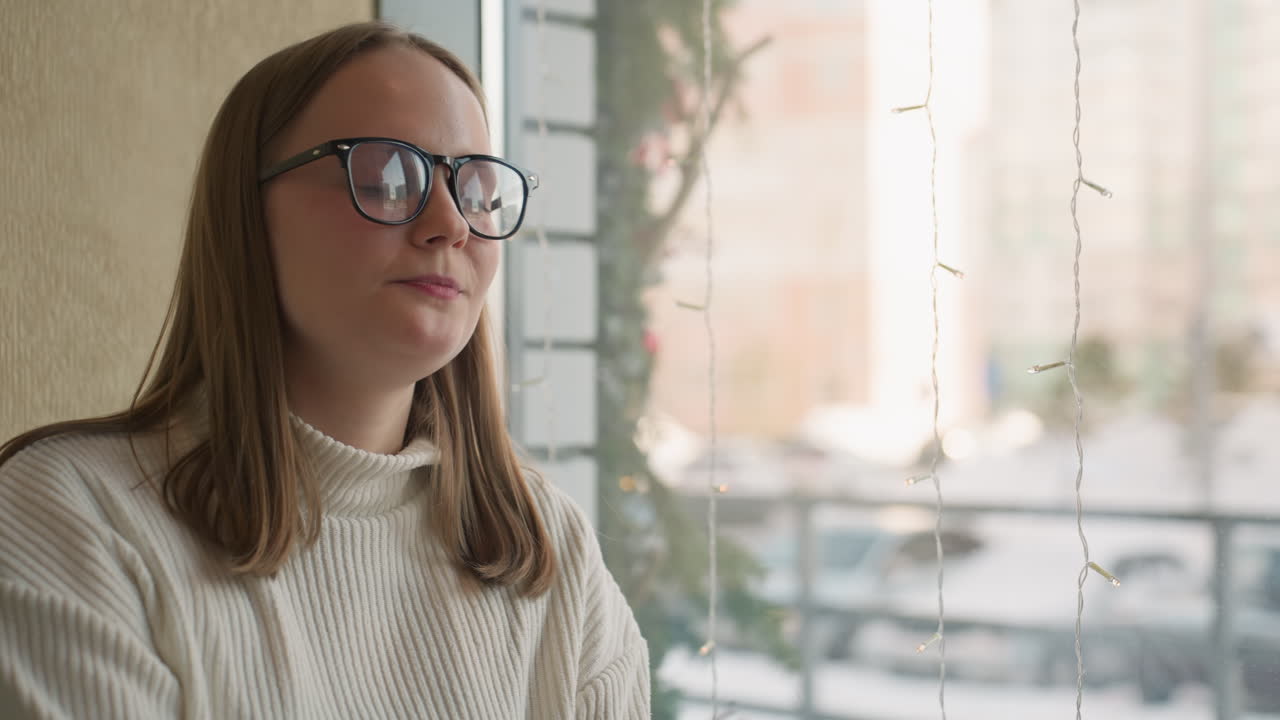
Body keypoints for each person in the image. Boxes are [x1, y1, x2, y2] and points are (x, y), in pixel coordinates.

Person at [0, 21, 649, 719]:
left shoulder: (554, 552)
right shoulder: (68, 518)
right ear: (249, 214)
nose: (451, 223)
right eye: (386, 174)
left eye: (476, 188)